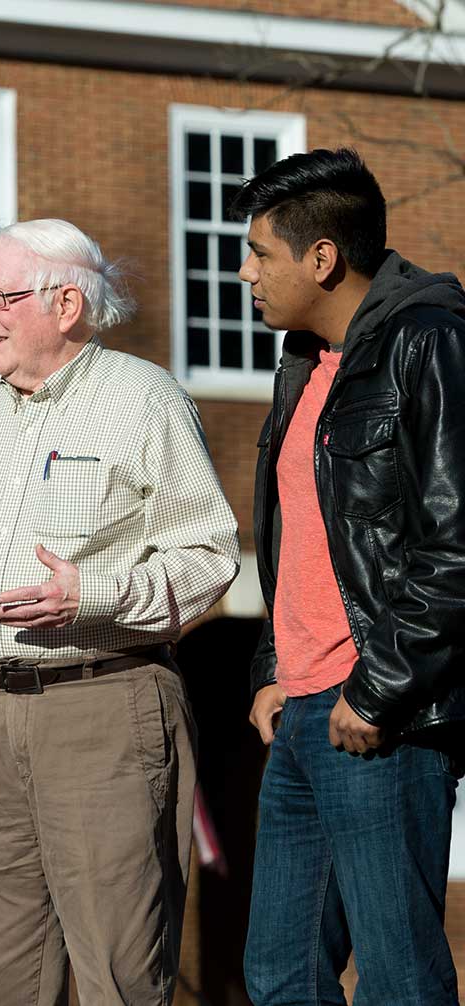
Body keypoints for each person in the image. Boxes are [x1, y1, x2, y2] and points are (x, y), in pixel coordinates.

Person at [0, 218, 239, 1005]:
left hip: (106, 707)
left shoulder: (145, 399)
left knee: (119, 975)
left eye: (0, 297)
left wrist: (93, 595)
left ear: (66, 303)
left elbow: (209, 558)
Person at [236, 148, 465, 1005]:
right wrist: (270, 668)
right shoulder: (304, 364)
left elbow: (455, 546)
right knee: (279, 971)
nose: (247, 270)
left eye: (261, 251)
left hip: (380, 720)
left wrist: (380, 692)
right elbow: (303, 535)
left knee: (399, 979)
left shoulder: (431, 341)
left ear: (322, 257)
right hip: (301, 713)